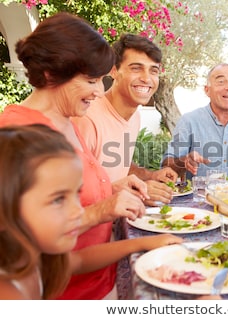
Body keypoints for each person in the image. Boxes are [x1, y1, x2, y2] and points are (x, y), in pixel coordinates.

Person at [0, 12, 149, 299]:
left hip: (100, 281)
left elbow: (71, 190)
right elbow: (17, 237)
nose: (98, 92)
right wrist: (100, 211)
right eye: (91, 80)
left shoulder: (67, 118)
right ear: (51, 74)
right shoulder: (19, 132)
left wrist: (114, 188)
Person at [0, 124, 183, 299]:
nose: (78, 210)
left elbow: (79, 260)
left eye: (77, 195)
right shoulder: (9, 294)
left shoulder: (37, 258)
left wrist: (142, 243)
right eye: (58, 199)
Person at [73, 33, 177, 206]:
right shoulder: (87, 118)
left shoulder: (134, 117)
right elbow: (72, 194)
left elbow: (118, 168)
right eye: (136, 68)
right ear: (114, 71)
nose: (146, 78)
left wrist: (151, 176)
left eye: (154, 70)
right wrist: (139, 191)